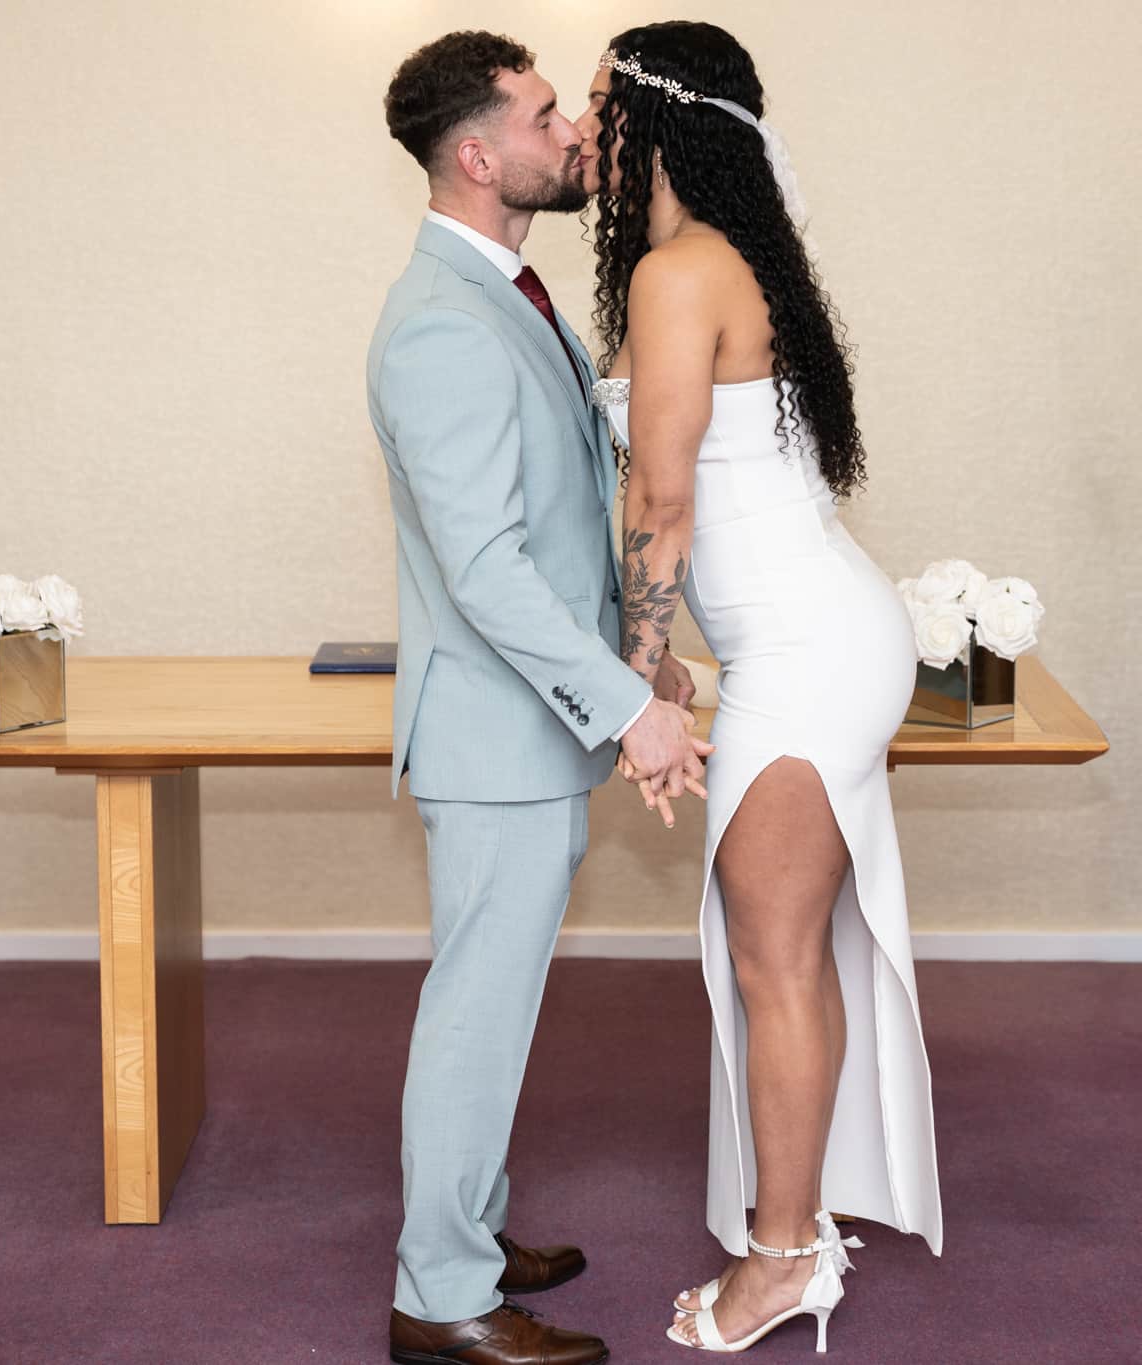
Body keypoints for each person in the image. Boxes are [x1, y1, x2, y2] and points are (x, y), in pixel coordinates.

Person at [576, 21, 945, 1354]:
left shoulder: (681, 271)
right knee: (789, 954)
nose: (586, 130)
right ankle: (800, 1224)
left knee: (772, 959)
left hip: (805, 653)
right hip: (804, 636)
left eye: (602, 105)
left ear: (655, 121)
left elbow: (664, 496)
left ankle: (784, 1259)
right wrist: (676, 657)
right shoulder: (727, 260)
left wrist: (638, 686)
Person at [368, 30, 715, 1365]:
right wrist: (627, 707)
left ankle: (465, 1226)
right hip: (494, 734)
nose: (572, 131)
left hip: (527, 726)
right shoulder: (443, 325)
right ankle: (441, 1296)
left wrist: (640, 651)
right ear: (477, 155)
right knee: (475, 1013)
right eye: (544, 112)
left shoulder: (504, 290)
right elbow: (487, 569)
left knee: (495, 1007)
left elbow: (560, 515)